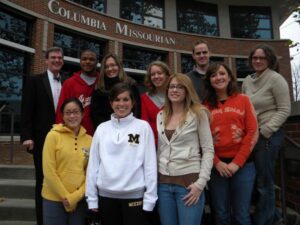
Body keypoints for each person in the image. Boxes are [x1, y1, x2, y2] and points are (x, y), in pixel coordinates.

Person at [86, 83, 157, 225]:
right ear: (111, 103)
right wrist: (92, 198)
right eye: (117, 100)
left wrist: (150, 199)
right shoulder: (101, 129)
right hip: (106, 196)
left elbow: (150, 165)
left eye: (126, 99)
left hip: (134, 196)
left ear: (133, 103)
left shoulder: (143, 127)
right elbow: (93, 165)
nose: (121, 104)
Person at [203, 63, 258, 225]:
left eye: (222, 73)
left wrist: (237, 163)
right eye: (213, 75)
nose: (218, 78)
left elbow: (252, 132)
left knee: (242, 215)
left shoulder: (244, 100)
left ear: (229, 76)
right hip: (216, 167)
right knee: (221, 214)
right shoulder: (204, 106)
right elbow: (202, 138)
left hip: (243, 165)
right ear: (209, 80)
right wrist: (217, 162)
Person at [242, 44, 291, 225]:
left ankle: (264, 221)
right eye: (255, 58)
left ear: (269, 59)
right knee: (255, 180)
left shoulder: (276, 79)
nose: (257, 61)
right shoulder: (247, 80)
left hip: (268, 136)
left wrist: (265, 131)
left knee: (264, 182)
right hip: (251, 136)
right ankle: (277, 217)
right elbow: (243, 107)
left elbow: (285, 109)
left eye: (261, 58)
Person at [157, 73, 214, 225]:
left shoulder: (198, 113)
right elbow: (160, 150)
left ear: (187, 90)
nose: (175, 90)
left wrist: (200, 184)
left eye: (180, 87)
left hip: (189, 185)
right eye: (172, 86)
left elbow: (208, 150)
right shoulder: (161, 115)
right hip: (163, 185)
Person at [21, 46, 65, 225]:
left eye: (59, 58)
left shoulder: (66, 82)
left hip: (63, 140)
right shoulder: (34, 81)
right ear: (46, 61)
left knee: (60, 178)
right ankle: (43, 221)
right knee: (43, 180)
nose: (56, 60)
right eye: (53, 57)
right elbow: (26, 110)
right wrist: (27, 136)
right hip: (41, 140)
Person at [42, 98, 92, 225]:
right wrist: (66, 197)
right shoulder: (53, 136)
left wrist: (75, 197)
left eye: (75, 112)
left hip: (79, 201)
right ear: (62, 116)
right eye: (67, 113)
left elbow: (91, 174)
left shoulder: (90, 140)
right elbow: (49, 171)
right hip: (53, 200)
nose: (72, 116)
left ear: (82, 114)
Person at [90, 53, 141, 129]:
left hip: (129, 130)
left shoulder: (131, 85)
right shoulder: (98, 89)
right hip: (106, 132)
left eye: (113, 65)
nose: (110, 69)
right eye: (106, 67)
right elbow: (95, 116)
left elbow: (137, 111)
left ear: (119, 66)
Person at [56, 49, 100, 135]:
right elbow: (61, 111)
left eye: (91, 59)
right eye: (84, 59)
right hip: (74, 135)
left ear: (97, 62)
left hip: (100, 136)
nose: (87, 61)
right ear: (80, 61)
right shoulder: (69, 83)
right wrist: (60, 132)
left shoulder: (102, 82)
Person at [141, 60, 171, 145]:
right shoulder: (144, 98)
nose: (156, 76)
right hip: (152, 144)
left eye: (159, 73)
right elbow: (145, 125)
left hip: (174, 145)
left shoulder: (175, 96)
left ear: (167, 75)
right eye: (153, 74)